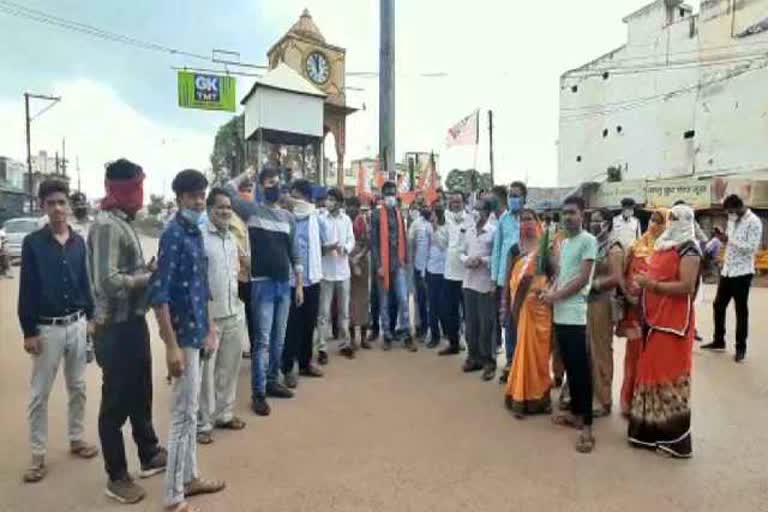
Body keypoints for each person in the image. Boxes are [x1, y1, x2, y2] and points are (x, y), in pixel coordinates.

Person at [88, 159, 166, 503]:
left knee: (141, 392)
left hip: (132, 323)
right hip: (114, 329)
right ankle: (116, 476)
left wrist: (142, 271)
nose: (141, 193)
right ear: (122, 189)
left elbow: (123, 271)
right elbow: (107, 283)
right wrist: (147, 278)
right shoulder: (106, 225)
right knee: (115, 404)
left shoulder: (123, 222)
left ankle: (148, 454)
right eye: (137, 187)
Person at [150, 169, 226, 511]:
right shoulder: (173, 235)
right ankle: (172, 494)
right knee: (182, 416)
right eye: (193, 196)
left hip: (196, 332)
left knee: (191, 410)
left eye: (202, 195)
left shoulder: (194, 232)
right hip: (181, 337)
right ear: (179, 197)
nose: (199, 201)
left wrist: (208, 327)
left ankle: (190, 477)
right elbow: (159, 294)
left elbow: (199, 287)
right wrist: (170, 347)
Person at [18, 179, 99, 484]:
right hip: (47, 329)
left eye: (61, 202)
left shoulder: (79, 242)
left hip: (77, 324)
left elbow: (85, 282)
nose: (57, 208)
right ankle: (37, 456)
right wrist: (29, 331)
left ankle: (76, 439)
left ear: (68, 205)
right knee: (40, 394)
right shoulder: (33, 244)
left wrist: (91, 318)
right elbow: (27, 289)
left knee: (78, 386)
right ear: (43, 207)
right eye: (51, 203)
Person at [226, 165, 303, 416]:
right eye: (269, 182)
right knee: (262, 341)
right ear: (260, 186)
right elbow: (226, 190)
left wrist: (299, 283)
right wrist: (245, 175)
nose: (274, 186)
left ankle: (272, 382)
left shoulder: (288, 217)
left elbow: (295, 252)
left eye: (277, 182)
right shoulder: (251, 211)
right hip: (262, 284)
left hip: (285, 284)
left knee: (278, 339)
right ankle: (258, 393)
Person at [630, 204, 701, 458]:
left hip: (673, 324)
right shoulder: (664, 244)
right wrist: (643, 283)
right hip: (655, 319)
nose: (672, 222)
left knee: (668, 376)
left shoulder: (689, 249)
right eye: (672, 217)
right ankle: (650, 433)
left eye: (678, 218)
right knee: (650, 370)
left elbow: (687, 287)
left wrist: (652, 284)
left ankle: (678, 440)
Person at [540, 196, 596, 454]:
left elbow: (583, 279)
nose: (568, 217)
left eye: (572, 212)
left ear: (582, 214)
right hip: (559, 314)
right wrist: (549, 291)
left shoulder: (588, 241)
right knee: (570, 370)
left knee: (580, 371)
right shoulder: (564, 243)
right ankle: (575, 414)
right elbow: (562, 275)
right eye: (565, 213)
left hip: (574, 315)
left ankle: (587, 428)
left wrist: (557, 296)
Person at [196, 188, 248, 445]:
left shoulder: (231, 238)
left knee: (230, 368)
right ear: (209, 210)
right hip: (211, 317)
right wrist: (205, 320)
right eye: (220, 208)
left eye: (228, 207)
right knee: (207, 373)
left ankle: (224, 414)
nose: (226, 211)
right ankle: (203, 423)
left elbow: (238, 272)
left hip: (233, 312)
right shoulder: (201, 238)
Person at [616, 208, 666, 417]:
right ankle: (629, 403)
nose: (654, 224)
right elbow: (625, 274)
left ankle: (647, 407)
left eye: (659, 221)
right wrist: (629, 295)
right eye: (652, 220)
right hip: (636, 312)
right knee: (634, 357)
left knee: (653, 360)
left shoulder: (669, 250)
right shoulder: (635, 247)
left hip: (658, 314)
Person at [504, 209, 553, 416]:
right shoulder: (515, 249)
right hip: (521, 307)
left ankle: (540, 396)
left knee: (540, 354)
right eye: (522, 220)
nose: (526, 223)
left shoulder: (545, 248)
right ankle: (520, 396)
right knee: (521, 351)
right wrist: (507, 307)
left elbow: (554, 275)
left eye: (530, 219)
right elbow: (509, 281)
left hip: (541, 308)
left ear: (537, 222)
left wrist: (548, 292)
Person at [703, 194, 763, 362]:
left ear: (739, 207)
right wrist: (721, 239)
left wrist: (731, 240)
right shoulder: (731, 219)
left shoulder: (754, 222)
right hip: (728, 270)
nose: (730, 214)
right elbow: (729, 242)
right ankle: (719, 340)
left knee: (741, 311)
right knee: (718, 305)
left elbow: (752, 248)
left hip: (743, 272)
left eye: (731, 211)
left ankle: (740, 348)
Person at [281, 179, 325, 386]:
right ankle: (288, 367)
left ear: (307, 198)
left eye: (296, 196)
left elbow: (324, 243)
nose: (292, 199)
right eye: (291, 195)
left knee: (309, 323)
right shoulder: (286, 218)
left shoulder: (317, 218)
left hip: (313, 279)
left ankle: (306, 362)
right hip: (292, 281)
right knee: (292, 326)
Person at [586, 208, 624, 417]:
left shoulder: (614, 247)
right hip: (588, 302)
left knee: (600, 351)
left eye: (598, 221)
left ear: (608, 223)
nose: (593, 224)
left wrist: (593, 284)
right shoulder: (593, 243)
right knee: (587, 350)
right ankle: (589, 394)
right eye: (591, 220)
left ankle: (604, 400)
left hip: (603, 302)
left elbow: (616, 277)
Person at [370, 181, 416, 351]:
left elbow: (403, 238)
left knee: (403, 299)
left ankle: (405, 333)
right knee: (383, 302)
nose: (391, 197)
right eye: (388, 193)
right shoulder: (376, 215)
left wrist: (406, 261)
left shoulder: (399, 214)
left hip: (398, 264)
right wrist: (378, 265)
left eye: (393, 193)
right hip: (383, 264)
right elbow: (373, 243)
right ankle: (387, 335)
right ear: (383, 196)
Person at [460, 197, 498, 380]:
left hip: (485, 285)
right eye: (474, 209)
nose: (476, 212)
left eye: (480, 209)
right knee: (471, 325)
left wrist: (482, 260)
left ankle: (489, 361)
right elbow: (460, 251)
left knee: (486, 326)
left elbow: (497, 257)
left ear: (488, 212)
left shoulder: (493, 231)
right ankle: (473, 358)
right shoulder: (469, 231)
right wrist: (466, 260)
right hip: (468, 283)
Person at [317, 188, 356, 359]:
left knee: (344, 311)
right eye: (328, 199)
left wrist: (345, 248)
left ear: (339, 203)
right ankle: (322, 347)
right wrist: (326, 248)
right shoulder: (320, 219)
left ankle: (345, 344)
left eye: (333, 199)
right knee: (324, 312)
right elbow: (317, 242)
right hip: (326, 273)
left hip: (343, 271)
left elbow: (351, 239)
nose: (329, 202)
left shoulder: (346, 219)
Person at [492, 182, 524, 381]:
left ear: (524, 198)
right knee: (509, 322)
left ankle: (523, 364)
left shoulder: (530, 218)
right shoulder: (503, 219)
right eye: (511, 195)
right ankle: (511, 362)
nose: (513, 199)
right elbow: (497, 249)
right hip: (506, 277)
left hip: (525, 278)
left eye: (517, 195)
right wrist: (495, 278)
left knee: (524, 321)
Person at [440, 190, 473, 356]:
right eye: (453, 202)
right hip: (449, 272)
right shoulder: (445, 219)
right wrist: (437, 226)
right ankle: (453, 343)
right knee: (450, 311)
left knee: (469, 313)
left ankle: (471, 347)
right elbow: (442, 243)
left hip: (467, 274)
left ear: (464, 202)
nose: (455, 204)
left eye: (458, 201)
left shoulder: (471, 219)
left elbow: (472, 243)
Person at [347, 197, 372, 350]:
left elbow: (368, 243)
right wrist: (351, 259)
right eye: (348, 206)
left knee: (363, 300)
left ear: (357, 208)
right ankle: (351, 339)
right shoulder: (343, 221)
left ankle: (363, 338)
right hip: (346, 262)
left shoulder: (363, 221)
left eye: (353, 206)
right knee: (349, 301)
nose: (350, 209)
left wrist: (358, 257)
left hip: (361, 262)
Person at [234, 179, 254, 359]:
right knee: (238, 314)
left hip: (251, 275)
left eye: (250, 190)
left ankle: (252, 347)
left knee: (251, 313)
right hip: (237, 276)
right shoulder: (232, 218)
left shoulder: (253, 217)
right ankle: (237, 348)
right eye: (244, 191)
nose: (248, 194)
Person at [426, 204, 449, 349]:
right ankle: (434, 336)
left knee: (444, 306)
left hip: (444, 271)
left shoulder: (446, 228)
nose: (432, 217)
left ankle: (449, 333)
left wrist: (436, 230)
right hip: (431, 270)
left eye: (434, 214)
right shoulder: (428, 227)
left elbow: (442, 246)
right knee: (432, 306)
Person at [409, 204, 431, 342]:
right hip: (419, 267)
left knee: (434, 301)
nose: (426, 207)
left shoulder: (438, 222)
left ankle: (437, 331)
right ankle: (421, 329)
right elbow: (411, 243)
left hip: (435, 268)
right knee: (420, 300)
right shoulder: (416, 224)